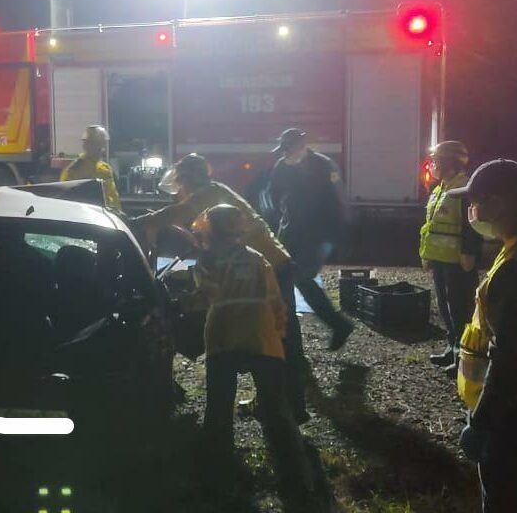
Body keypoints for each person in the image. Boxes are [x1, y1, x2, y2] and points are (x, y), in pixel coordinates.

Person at [134, 153, 310, 422]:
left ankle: (291, 409)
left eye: (181, 184)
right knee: (273, 335)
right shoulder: (216, 192)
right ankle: (280, 404)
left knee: (280, 337)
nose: (180, 191)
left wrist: (138, 222)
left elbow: (174, 214)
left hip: (267, 267)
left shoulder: (207, 194)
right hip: (273, 264)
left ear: (188, 179)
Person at [190, 204, 314, 502]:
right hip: (262, 338)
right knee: (277, 410)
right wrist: (278, 333)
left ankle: (217, 477)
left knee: (219, 408)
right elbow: (276, 301)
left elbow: (204, 296)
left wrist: (177, 303)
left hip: (223, 338)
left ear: (210, 230)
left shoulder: (207, 261)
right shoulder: (259, 259)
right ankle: (297, 480)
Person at [451, 160, 517, 512]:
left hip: (512, 415)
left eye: (476, 202)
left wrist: (482, 421)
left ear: (497, 204)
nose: (472, 211)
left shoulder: (514, 270)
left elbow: (511, 357)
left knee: (504, 497)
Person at [268, 128, 353, 350]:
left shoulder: (323, 165)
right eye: (284, 149)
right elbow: (273, 194)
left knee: (302, 278)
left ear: (301, 146)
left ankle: (336, 325)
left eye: (289, 148)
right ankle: (288, 334)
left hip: (317, 234)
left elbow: (338, 199)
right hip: (290, 232)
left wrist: (340, 232)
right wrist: (281, 218)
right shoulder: (282, 166)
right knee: (284, 276)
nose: (286, 153)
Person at [420, 141, 482, 376]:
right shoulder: (440, 189)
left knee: (460, 310)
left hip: (457, 261)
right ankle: (451, 348)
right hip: (441, 260)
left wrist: (469, 252)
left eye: (436, 161)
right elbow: (431, 227)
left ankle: (462, 357)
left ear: (449, 163)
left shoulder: (464, 189)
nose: (432, 165)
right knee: (445, 308)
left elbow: (472, 225)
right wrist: (427, 256)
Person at [60, 125, 121, 211]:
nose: (100, 148)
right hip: (85, 215)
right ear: (86, 145)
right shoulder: (74, 170)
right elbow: (65, 199)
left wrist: (119, 213)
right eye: (96, 144)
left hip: (105, 215)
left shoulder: (106, 168)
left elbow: (114, 196)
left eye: (101, 144)